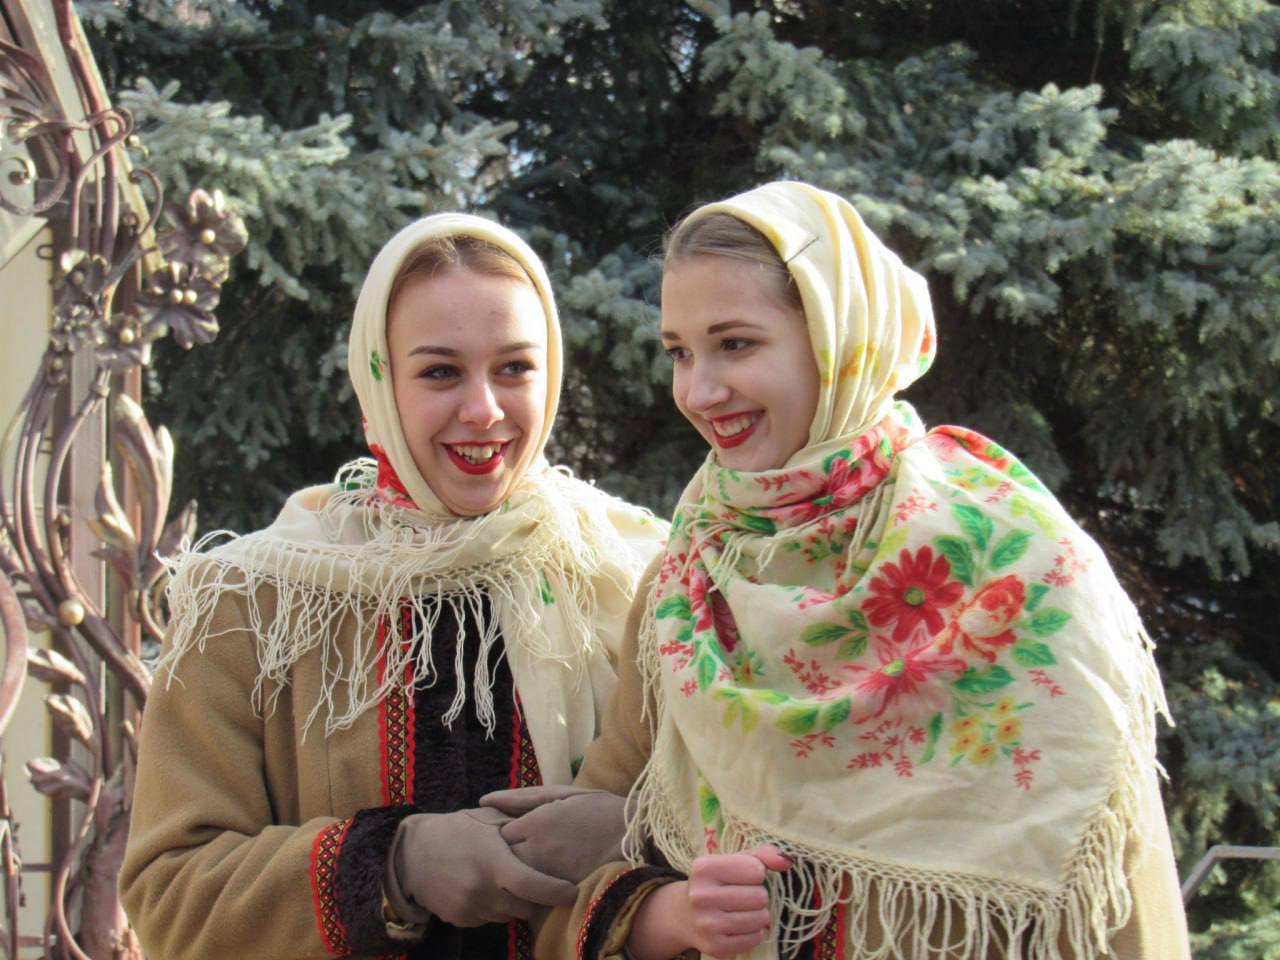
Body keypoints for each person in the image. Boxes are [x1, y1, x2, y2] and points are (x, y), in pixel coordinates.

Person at [510, 181, 1191, 959]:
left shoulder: (1023, 567)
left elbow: (1117, 908)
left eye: (736, 344)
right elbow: (580, 887)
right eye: (680, 352)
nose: (699, 391)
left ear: (837, 341)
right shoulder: (687, 590)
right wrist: (664, 914)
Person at [119, 212, 668, 960]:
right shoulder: (254, 601)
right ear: (378, 380)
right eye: (440, 371)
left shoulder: (637, 575)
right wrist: (393, 865)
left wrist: (639, 831)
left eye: (515, 368)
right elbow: (168, 894)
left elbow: (758, 821)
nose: (484, 408)